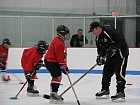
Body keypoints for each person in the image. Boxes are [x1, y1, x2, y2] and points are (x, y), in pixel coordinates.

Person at [88, 21, 129, 101]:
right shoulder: (98, 38)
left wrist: (114, 48)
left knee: (119, 73)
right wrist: (100, 57)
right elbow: (100, 49)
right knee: (106, 72)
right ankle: (105, 90)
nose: (93, 33)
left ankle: (120, 92)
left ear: (98, 28)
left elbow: (121, 40)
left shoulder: (109, 31)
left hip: (120, 54)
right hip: (111, 56)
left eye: (93, 31)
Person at [44, 25, 70, 103]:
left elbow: (61, 56)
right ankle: (54, 93)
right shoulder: (59, 43)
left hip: (52, 61)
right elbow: (59, 56)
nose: (67, 35)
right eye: (66, 34)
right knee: (57, 75)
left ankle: (53, 92)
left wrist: (63, 65)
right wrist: (63, 66)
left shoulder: (59, 40)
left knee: (57, 76)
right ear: (62, 33)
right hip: (51, 61)